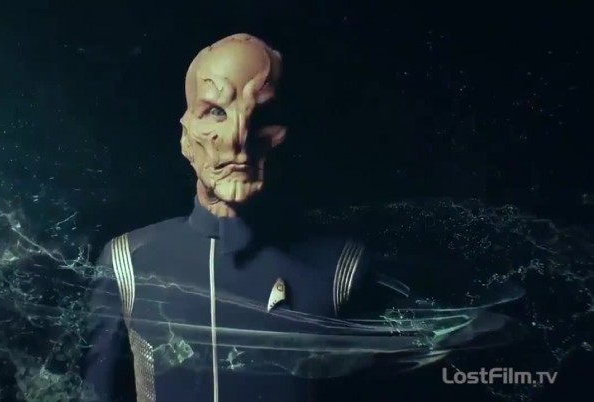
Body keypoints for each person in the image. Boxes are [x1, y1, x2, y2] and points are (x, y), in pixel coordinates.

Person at [80, 33, 504, 402]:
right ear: (185, 135)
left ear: (287, 133)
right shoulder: (128, 263)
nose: (238, 137)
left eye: (262, 115)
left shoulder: (342, 267)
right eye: (215, 112)